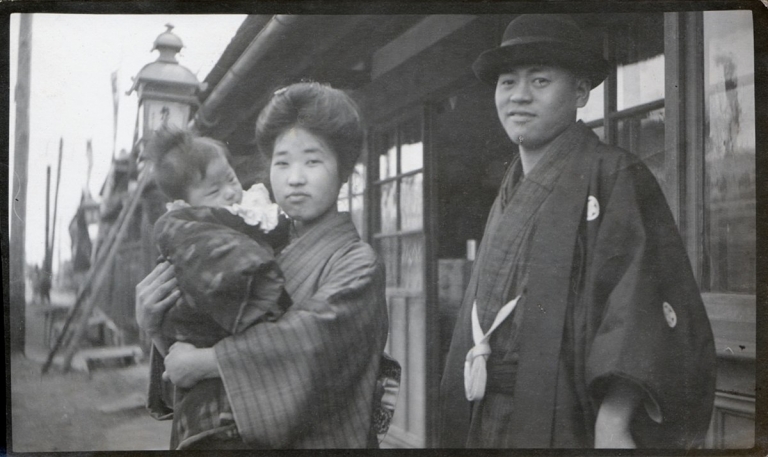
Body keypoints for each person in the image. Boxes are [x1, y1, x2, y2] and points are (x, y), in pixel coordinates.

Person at [439, 14, 716, 449]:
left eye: (540, 81)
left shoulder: (615, 174)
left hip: (567, 408)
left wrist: (615, 419)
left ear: (581, 92)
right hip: (489, 408)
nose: (519, 96)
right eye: (507, 82)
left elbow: (638, 302)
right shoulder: (510, 190)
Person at [136, 82, 395, 449]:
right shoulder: (248, 246)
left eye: (313, 160)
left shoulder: (358, 264)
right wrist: (153, 324)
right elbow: (190, 353)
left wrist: (209, 362)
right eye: (282, 161)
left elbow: (311, 344)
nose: (295, 178)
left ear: (344, 170)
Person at [143, 128, 291, 449]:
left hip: (246, 377)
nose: (230, 193)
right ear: (185, 204)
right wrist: (155, 328)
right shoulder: (190, 233)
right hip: (217, 401)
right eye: (214, 191)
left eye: (231, 179)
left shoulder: (250, 218)